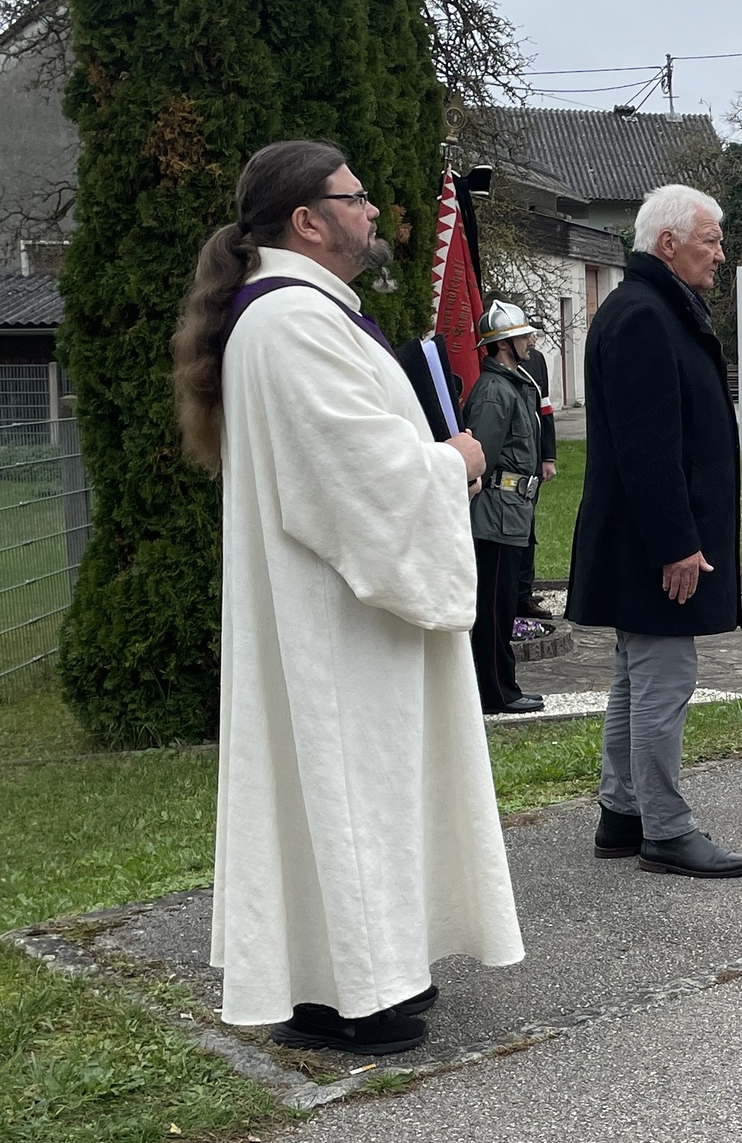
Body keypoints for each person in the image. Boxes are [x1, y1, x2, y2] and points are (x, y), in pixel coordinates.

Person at [170, 139, 521, 1054]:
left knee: (374, 791)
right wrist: (454, 461)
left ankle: (378, 971)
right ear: (307, 220)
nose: (371, 211)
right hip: (334, 618)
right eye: (354, 197)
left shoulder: (308, 312)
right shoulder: (290, 321)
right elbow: (353, 475)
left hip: (354, 609)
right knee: (346, 789)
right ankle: (344, 995)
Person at [568, 183, 742, 877]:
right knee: (664, 680)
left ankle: (622, 814)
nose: (720, 254)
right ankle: (666, 831)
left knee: (637, 676)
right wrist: (677, 543)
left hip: (640, 538)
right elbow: (647, 448)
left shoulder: (649, 306)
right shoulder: (645, 315)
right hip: (655, 543)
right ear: (668, 244)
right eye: (710, 240)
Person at [465, 301, 549, 714]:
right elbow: (479, 459)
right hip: (495, 515)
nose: (530, 340)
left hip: (512, 512)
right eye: (522, 335)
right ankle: (496, 693)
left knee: (501, 606)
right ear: (503, 344)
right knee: (493, 609)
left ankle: (502, 687)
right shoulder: (495, 392)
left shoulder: (513, 384)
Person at [515, 329, 558, 620]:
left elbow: (545, 409)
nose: (531, 340)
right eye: (525, 334)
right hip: (508, 462)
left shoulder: (537, 360)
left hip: (532, 459)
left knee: (529, 529)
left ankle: (523, 593)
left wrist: (547, 456)